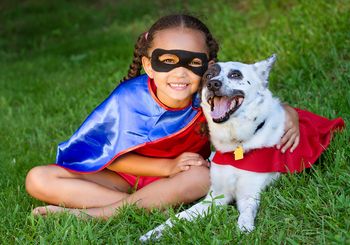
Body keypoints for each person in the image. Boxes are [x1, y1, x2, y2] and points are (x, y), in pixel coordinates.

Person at [25, 14, 300, 219]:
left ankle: (100, 213)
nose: (180, 74)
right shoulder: (128, 99)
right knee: (38, 178)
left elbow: (259, 107)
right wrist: (166, 168)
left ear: (209, 66)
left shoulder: (210, 96)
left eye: (193, 63)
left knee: (204, 178)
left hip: (185, 176)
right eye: (167, 62)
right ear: (149, 65)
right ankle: (140, 204)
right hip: (124, 176)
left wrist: (289, 114)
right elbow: (110, 155)